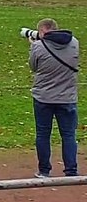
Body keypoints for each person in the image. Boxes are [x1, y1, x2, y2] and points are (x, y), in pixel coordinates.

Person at [28, 18, 80, 177]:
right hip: (67, 97)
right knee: (69, 135)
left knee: (43, 134)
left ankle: (44, 171)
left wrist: (33, 47)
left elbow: (33, 67)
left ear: (42, 31)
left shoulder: (38, 46)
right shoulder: (74, 43)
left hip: (44, 98)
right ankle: (71, 170)